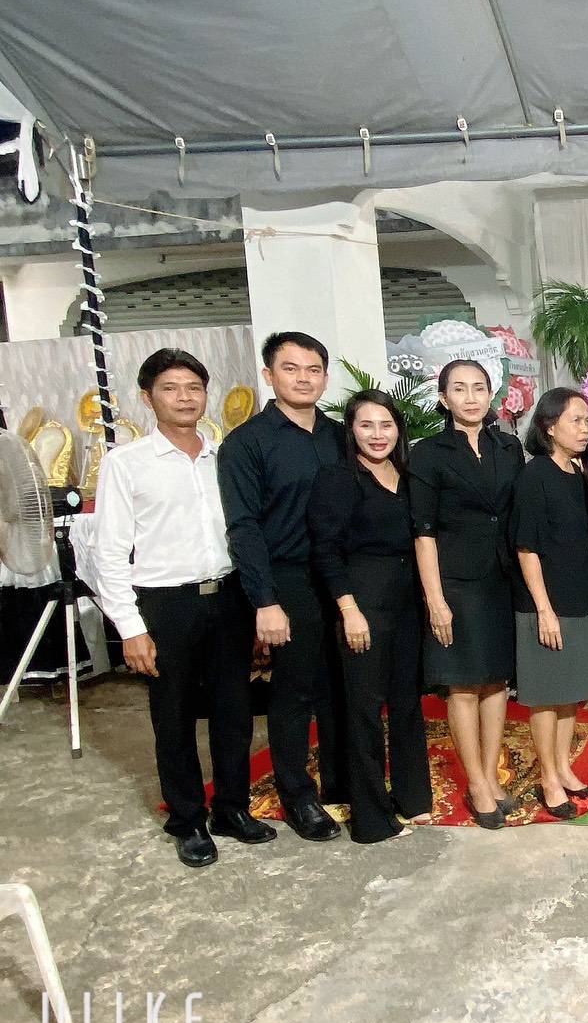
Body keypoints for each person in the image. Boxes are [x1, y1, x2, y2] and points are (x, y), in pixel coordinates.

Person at [93, 348, 275, 868]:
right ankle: (188, 820)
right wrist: (130, 627)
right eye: (170, 388)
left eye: (194, 388)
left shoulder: (224, 456)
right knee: (172, 716)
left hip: (229, 596)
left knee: (234, 711)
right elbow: (109, 553)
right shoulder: (127, 463)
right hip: (166, 603)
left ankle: (232, 809)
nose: (184, 398)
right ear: (147, 397)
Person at [219, 331, 347, 843]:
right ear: (269, 375)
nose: (303, 379)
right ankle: (298, 795)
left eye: (313, 370)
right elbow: (243, 526)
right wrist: (265, 600)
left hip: (340, 578)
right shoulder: (246, 443)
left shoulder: (339, 436)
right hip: (287, 578)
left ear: (325, 377)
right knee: (295, 691)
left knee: (341, 684)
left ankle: (341, 780)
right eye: (291, 369)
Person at [308, 390, 432, 843]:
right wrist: (348, 609)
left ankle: (412, 798)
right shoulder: (337, 479)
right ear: (351, 430)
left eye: (386, 425)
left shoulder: (407, 474)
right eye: (366, 425)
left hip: (407, 603)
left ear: (399, 429)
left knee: (406, 703)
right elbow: (325, 550)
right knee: (362, 710)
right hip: (363, 602)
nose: (377, 435)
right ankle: (371, 818)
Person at [409, 359, 523, 830]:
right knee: (462, 684)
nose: (471, 397)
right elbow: (423, 532)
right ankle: (475, 784)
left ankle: (492, 777)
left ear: (491, 394)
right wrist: (435, 600)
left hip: (502, 579)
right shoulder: (427, 453)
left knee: (495, 681)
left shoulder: (508, 446)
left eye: (479, 388)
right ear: (443, 398)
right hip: (455, 583)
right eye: (459, 389)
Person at [511, 388, 588, 820]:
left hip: (582, 596)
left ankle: (565, 768)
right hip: (546, 603)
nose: (585, 428)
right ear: (549, 427)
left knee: (571, 693)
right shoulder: (535, 476)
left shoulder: (581, 471)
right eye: (576, 420)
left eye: (587, 420)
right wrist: (544, 609)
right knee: (547, 696)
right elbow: (526, 547)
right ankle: (549, 778)